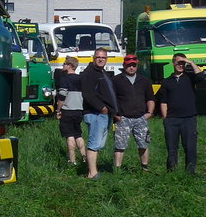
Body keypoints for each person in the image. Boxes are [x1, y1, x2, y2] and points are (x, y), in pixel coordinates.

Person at [158, 52, 202, 174]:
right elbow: (163, 102)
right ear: (173, 63)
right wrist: (165, 118)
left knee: (190, 147)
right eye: (178, 63)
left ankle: (190, 173)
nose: (180, 65)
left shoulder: (190, 77)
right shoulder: (166, 82)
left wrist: (191, 62)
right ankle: (172, 172)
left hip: (189, 119)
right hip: (172, 120)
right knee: (172, 148)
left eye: (183, 63)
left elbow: (201, 77)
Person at [112, 54, 155, 171]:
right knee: (120, 145)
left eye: (133, 65)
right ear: (124, 65)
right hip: (123, 118)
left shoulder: (144, 80)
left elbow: (150, 98)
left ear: (137, 66)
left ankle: (145, 167)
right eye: (128, 65)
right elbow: (111, 99)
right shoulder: (116, 80)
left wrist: (149, 113)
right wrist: (115, 115)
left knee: (143, 144)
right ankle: (117, 169)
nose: (131, 67)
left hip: (141, 117)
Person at [80, 47, 116, 180]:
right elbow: (88, 94)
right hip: (95, 113)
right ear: (93, 58)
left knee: (99, 144)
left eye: (104, 57)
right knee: (94, 143)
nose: (101, 59)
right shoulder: (89, 73)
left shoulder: (102, 72)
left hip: (104, 114)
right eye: (98, 57)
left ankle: (93, 169)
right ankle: (92, 173)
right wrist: (101, 108)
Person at [55, 56, 86, 166]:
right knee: (78, 134)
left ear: (69, 66)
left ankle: (72, 160)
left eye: (64, 64)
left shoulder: (64, 79)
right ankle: (84, 157)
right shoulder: (81, 79)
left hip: (68, 110)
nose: (63, 66)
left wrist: (58, 110)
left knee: (69, 135)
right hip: (79, 110)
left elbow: (62, 96)